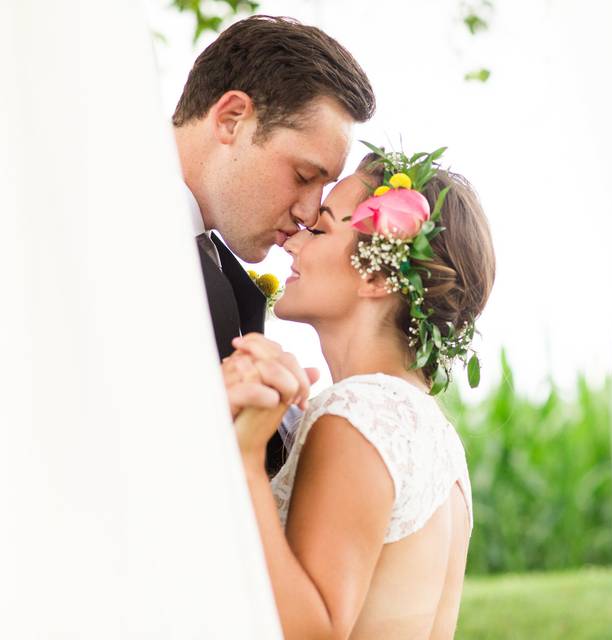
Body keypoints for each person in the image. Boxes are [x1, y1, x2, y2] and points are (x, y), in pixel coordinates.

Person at [223, 148, 495, 639]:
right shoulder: (429, 430)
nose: (294, 244)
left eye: (322, 229)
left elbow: (312, 632)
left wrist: (242, 459)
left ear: (373, 274)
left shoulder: (357, 415)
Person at [172, 15, 376, 474]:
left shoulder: (226, 276)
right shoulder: (96, 214)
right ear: (231, 118)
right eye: (304, 176)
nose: (308, 214)